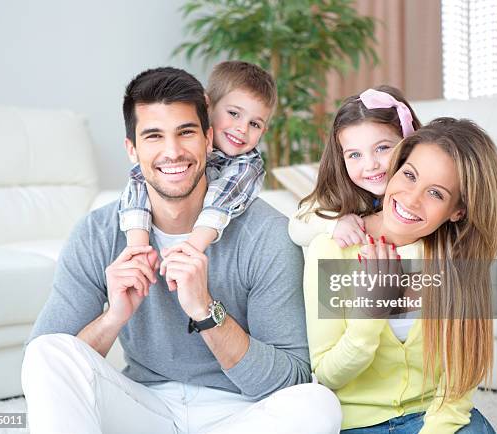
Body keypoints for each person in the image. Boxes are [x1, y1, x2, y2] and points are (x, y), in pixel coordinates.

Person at [21, 66, 342, 434]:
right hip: (143, 406)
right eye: (154, 136)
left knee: (318, 405)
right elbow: (45, 371)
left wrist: (206, 312)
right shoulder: (97, 233)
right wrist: (114, 318)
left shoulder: (267, 234)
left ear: (208, 139)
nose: (172, 152)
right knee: (47, 351)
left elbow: (290, 379)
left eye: (185, 132)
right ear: (132, 149)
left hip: (240, 412)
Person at [303, 118, 497, 433]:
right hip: (357, 423)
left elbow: (458, 385)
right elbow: (328, 376)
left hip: (433, 416)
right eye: (409, 175)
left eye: (436, 194)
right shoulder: (331, 249)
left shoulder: (458, 261)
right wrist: (370, 313)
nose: (411, 199)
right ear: (396, 169)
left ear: (458, 210)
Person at [119, 61, 275, 254]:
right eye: (234, 113)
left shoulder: (247, 165)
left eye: (255, 124)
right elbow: (138, 180)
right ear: (207, 106)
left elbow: (221, 201)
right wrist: (137, 248)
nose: (242, 129)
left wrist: (191, 248)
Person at [288, 86, 421, 249]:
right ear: (341, 159)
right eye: (355, 155)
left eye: (382, 148)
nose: (371, 165)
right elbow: (296, 228)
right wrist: (334, 225)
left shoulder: (422, 194)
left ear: (408, 143)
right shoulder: (341, 193)